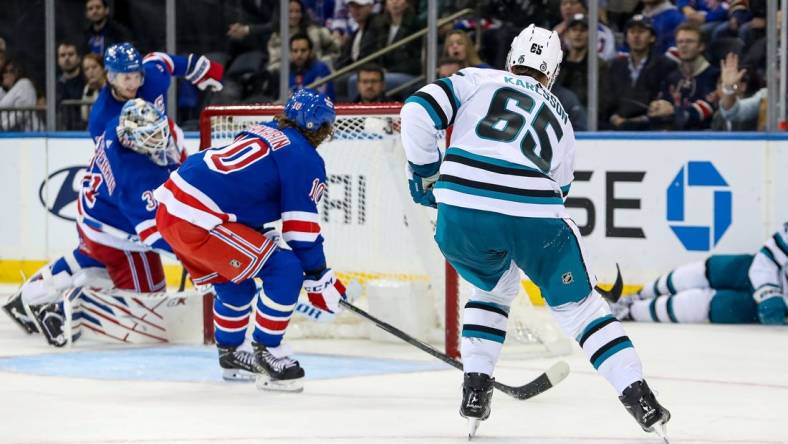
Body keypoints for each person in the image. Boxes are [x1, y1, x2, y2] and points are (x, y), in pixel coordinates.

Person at [399, 24, 670, 439]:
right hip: (532, 213)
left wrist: (425, 174)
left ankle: (475, 388)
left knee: (491, 288)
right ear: (554, 72)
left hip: (460, 213)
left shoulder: (477, 77)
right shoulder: (562, 119)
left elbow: (416, 110)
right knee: (581, 310)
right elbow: (558, 192)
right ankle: (640, 399)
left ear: (511, 60)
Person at [154, 89, 346, 392]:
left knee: (236, 284)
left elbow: (241, 188)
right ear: (321, 128)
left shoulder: (264, 130)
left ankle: (231, 353)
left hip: (171, 210)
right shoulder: (304, 157)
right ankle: (268, 350)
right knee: (285, 269)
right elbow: (300, 230)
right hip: (199, 219)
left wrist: (256, 230)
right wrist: (319, 277)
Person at [1, 99, 183, 346]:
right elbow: (154, 235)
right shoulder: (135, 175)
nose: (159, 142)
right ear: (132, 140)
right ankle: (69, 306)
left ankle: (30, 296)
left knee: (88, 258)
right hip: (118, 238)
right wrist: (194, 254)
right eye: (150, 139)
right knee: (149, 309)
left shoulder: (113, 128)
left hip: (91, 218)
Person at [608, 223, 787, 326]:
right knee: (711, 270)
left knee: (711, 305)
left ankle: (631, 311)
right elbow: (767, 257)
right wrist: (768, 293)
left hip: (769, 308)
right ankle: (638, 295)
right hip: (757, 274)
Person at [88, 42, 224, 142]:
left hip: (168, 146)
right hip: (133, 164)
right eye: (127, 78)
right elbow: (111, 162)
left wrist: (203, 70)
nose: (134, 84)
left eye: (137, 76)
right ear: (110, 77)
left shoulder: (153, 76)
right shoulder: (101, 118)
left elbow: (162, 60)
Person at [605, 15, 676, 130]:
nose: (636, 36)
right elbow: (608, 99)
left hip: (650, 127)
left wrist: (636, 121)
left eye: (641, 32)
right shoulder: (616, 65)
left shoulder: (665, 65)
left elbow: (664, 102)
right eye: (632, 32)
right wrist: (614, 118)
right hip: (617, 126)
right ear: (626, 37)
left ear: (652, 37)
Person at [647, 22, 719, 130]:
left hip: (703, 137)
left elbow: (705, 110)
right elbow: (664, 101)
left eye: (689, 41)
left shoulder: (714, 75)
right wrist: (657, 107)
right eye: (680, 42)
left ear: (701, 46)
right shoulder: (672, 76)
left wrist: (672, 111)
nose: (683, 45)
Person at [556, 14, 609, 117]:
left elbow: (603, 100)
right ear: (566, 34)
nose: (578, 34)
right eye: (574, 30)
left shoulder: (599, 65)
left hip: (585, 118)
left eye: (583, 30)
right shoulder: (556, 63)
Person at [266, 0, 340, 72]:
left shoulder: (315, 30)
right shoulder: (276, 39)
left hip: (319, 77)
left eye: (297, 11)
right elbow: (273, 66)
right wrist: (293, 65)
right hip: (291, 79)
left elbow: (335, 50)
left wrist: (324, 61)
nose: (294, 15)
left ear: (302, 13)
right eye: (290, 12)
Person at [283, 33, 335, 100]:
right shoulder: (285, 73)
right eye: (295, 51)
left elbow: (326, 101)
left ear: (311, 51)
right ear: (290, 52)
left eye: (303, 50)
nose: (299, 54)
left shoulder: (321, 70)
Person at [0, 59, 40, 131]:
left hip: (30, 135)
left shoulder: (24, 84)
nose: (5, 75)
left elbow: (22, 112)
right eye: (4, 71)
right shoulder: (4, 92)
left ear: (18, 72)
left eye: (10, 71)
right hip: (11, 136)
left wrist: (3, 127)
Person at [56, 42, 86, 130]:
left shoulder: (86, 80)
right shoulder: (55, 83)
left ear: (79, 58)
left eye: (71, 54)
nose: (66, 58)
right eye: (62, 55)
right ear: (58, 60)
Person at [81, 53, 106, 123]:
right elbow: (84, 116)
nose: (90, 71)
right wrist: (89, 92)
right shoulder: (87, 88)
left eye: (94, 67)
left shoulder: (112, 87)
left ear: (103, 69)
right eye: (86, 69)